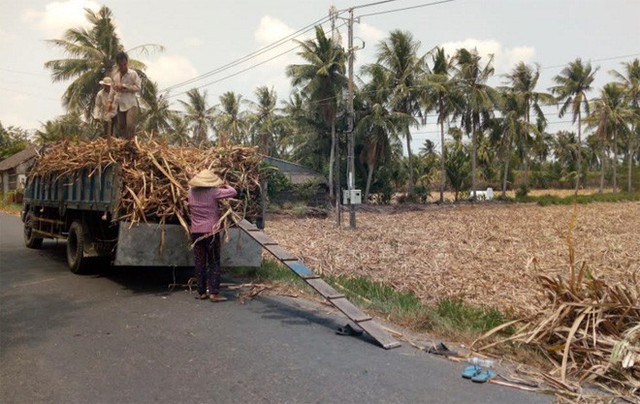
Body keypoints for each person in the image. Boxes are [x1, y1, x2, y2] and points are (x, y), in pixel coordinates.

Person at [187, 169, 238, 302]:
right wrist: (225, 184)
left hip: (196, 232)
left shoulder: (190, 193)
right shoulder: (213, 192)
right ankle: (214, 293)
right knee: (214, 262)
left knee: (200, 262)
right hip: (211, 232)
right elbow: (233, 192)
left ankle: (201, 292)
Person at [112, 51, 141, 139]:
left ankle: (131, 142)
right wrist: (116, 88)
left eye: (125, 64)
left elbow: (138, 88)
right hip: (120, 104)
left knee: (130, 125)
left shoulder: (133, 74)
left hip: (131, 104)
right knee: (121, 126)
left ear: (127, 62)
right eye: (121, 65)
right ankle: (125, 143)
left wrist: (125, 87)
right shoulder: (116, 76)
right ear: (118, 64)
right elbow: (113, 90)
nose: (123, 67)